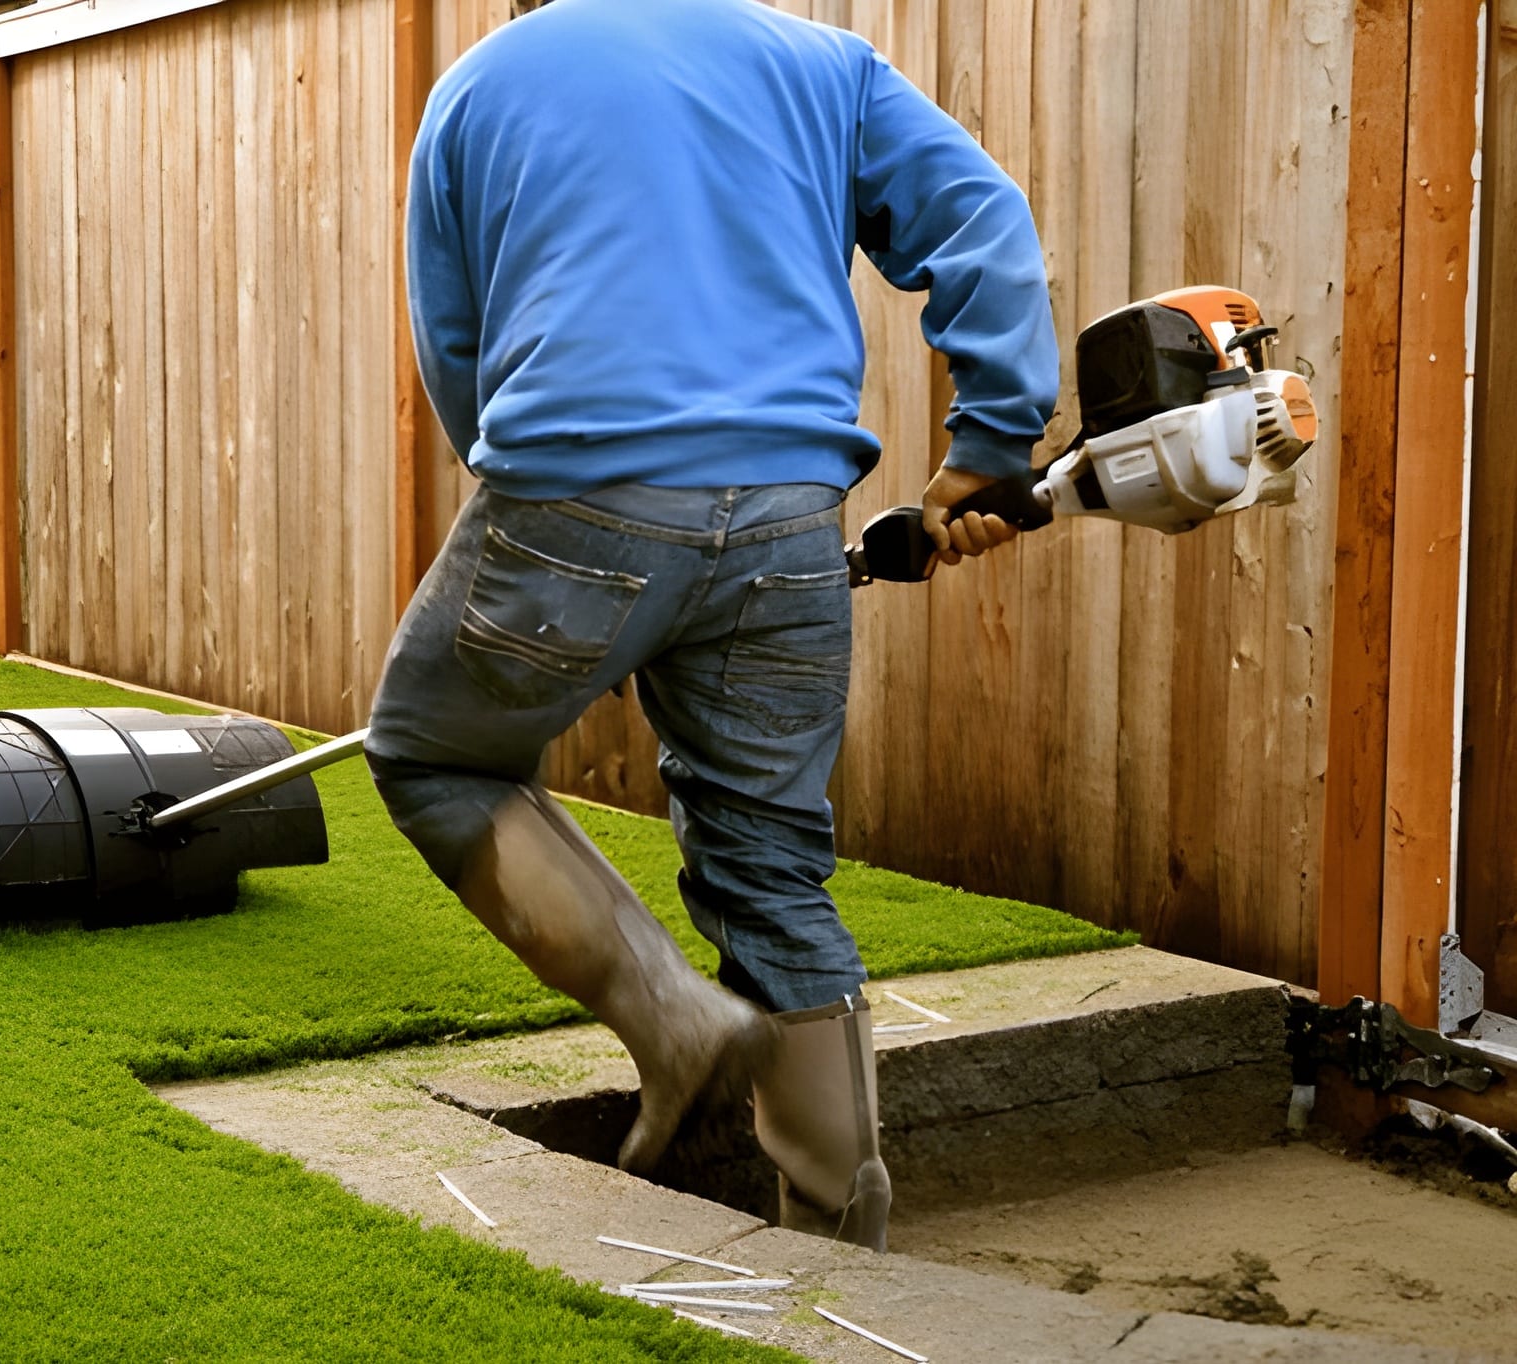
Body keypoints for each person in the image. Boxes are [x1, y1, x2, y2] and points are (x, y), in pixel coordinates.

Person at [363, 0, 1057, 1251]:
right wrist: (992, 444)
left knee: (432, 755)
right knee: (772, 870)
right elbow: (980, 218)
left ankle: (671, 1019)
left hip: (574, 491)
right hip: (792, 512)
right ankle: (836, 1241)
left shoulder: (476, 85)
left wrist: (568, 542)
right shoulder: (821, 64)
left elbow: (453, 345)